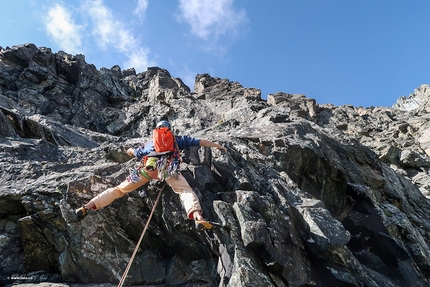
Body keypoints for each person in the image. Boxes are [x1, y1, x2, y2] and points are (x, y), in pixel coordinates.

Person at [75, 120, 227, 230]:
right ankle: (198, 218)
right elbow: (199, 141)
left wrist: (129, 150)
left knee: (119, 190)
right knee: (184, 191)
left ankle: (87, 206)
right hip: (167, 170)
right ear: (170, 129)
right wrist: (217, 145)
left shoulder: (150, 143)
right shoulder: (176, 140)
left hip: (147, 169)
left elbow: (135, 153)